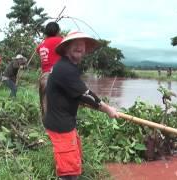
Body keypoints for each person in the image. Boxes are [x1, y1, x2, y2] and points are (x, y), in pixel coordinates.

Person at [44, 31, 119, 180]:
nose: (80, 47)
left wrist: (79, 99)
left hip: (64, 123)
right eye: (75, 44)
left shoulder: (67, 66)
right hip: (61, 127)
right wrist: (108, 109)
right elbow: (86, 94)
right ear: (66, 48)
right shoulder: (65, 69)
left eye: (82, 45)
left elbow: (75, 93)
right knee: (69, 173)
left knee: (73, 164)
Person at [36, 22, 63, 121]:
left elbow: (38, 50)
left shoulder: (41, 44)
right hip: (58, 76)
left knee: (45, 105)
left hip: (44, 77)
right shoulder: (60, 41)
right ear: (57, 31)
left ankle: (47, 129)